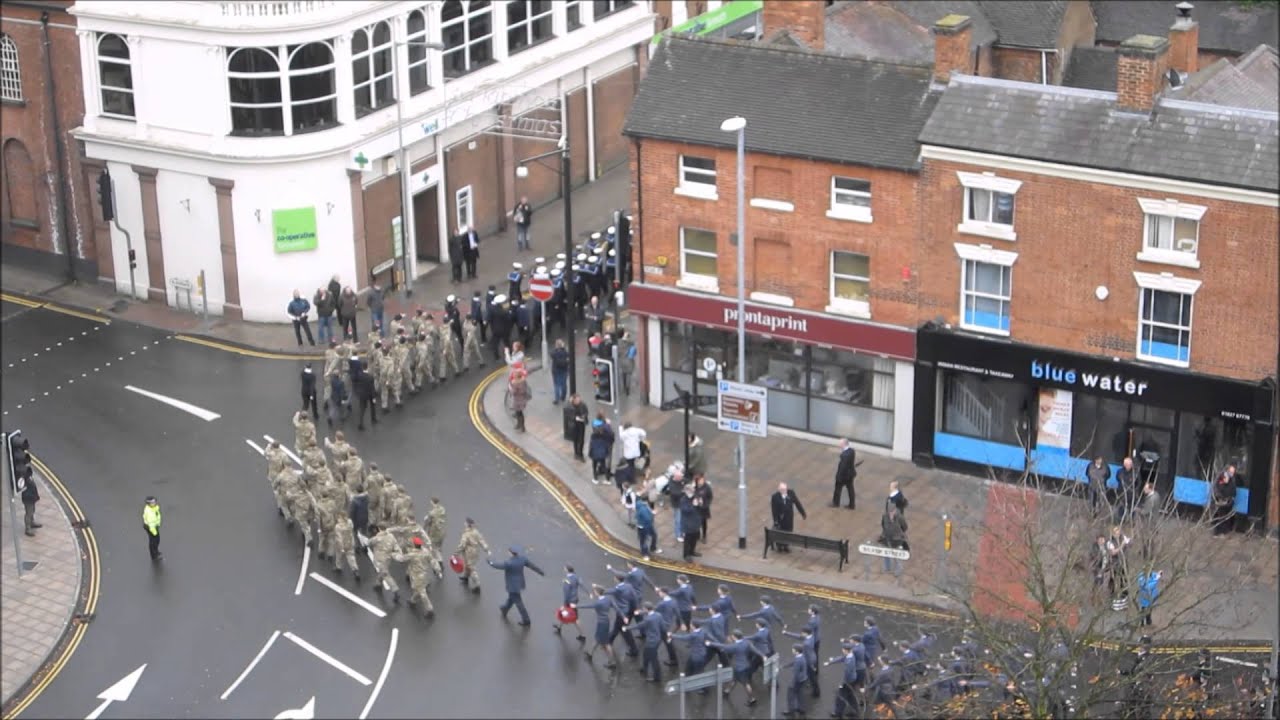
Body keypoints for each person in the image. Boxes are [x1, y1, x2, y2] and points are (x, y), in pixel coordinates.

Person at [707, 630, 763, 706]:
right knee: (734, 679)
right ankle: (727, 691)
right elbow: (754, 650)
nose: (732, 636)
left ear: (735, 637)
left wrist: (710, 643)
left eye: (733, 636)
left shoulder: (735, 646)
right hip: (745, 665)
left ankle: (752, 699)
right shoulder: (746, 642)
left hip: (739, 668)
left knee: (746, 684)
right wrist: (762, 655)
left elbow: (723, 646)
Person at [626, 601, 667, 683]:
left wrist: (627, 628)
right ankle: (644, 668)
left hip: (651, 640)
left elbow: (639, 625)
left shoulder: (648, 619)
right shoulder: (658, 615)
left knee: (653, 659)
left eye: (643, 608)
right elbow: (663, 627)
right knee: (645, 654)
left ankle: (657, 677)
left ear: (646, 609)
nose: (643, 610)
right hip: (657, 639)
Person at [582, 584, 617, 668]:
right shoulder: (608, 599)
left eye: (595, 591)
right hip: (605, 622)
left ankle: (612, 662)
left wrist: (576, 606)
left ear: (597, 593)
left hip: (602, 623)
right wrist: (623, 616)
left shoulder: (599, 602)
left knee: (605, 644)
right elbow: (616, 607)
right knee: (597, 638)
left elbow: (589, 606)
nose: (594, 592)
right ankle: (590, 653)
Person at [455, 517, 490, 593]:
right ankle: (466, 577)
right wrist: (487, 550)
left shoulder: (466, 534)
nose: (464, 523)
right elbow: (481, 541)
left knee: (471, 568)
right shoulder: (476, 531)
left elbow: (462, 545)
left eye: (465, 522)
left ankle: (477, 585)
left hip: (469, 552)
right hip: (475, 551)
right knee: (468, 565)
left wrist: (456, 553)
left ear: (467, 524)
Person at [770, 482, 807, 552]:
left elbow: (797, 503)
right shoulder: (775, 497)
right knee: (780, 531)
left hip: (789, 517)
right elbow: (774, 510)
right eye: (782, 490)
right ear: (779, 490)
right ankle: (779, 546)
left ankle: (786, 546)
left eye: (785, 489)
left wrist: (803, 513)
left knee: (788, 531)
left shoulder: (791, 493)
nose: (784, 491)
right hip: (780, 518)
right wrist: (775, 520)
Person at [554, 564, 586, 640]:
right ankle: (559, 627)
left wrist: (565, 603)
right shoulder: (576, 576)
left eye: (564, 568)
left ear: (567, 570)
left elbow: (566, 592)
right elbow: (582, 585)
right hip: (574, 599)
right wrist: (589, 593)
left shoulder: (567, 579)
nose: (564, 569)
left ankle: (582, 635)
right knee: (563, 612)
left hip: (569, 601)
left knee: (575, 618)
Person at [784, 643, 811, 717]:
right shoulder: (801, 657)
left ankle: (791, 710)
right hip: (803, 679)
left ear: (797, 651)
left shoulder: (798, 661)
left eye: (793, 649)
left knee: (790, 695)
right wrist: (784, 666)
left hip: (797, 681)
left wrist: (792, 683)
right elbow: (793, 662)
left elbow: (796, 673)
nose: (792, 650)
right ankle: (801, 709)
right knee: (800, 694)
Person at [879, 506, 908, 573]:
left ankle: (898, 569)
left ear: (895, 511)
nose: (890, 513)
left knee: (896, 554)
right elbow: (883, 525)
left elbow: (905, 527)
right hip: (887, 537)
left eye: (892, 511)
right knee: (886, 553)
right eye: (889, 512)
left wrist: (899, 533)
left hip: (897, 539)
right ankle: (887, 567)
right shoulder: (885, 516)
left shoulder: (900, 517)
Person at [588, 413, 615, 483]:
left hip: (594, 451)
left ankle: (595, 479)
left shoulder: (594, 430)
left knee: (594, 464)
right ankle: (607, 479)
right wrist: (608, 424)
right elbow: (611, 434)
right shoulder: (605, 427)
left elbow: (591, 444)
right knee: (604, 463)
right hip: (603, 449)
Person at [1211, 465, 1237, 536]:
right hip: (1220, 501)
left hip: (1228, 502)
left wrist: (1231, 499)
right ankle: (1217, 533)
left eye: (1233, 472)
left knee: (1226, 518)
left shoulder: (1232, 480)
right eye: (1231, 472)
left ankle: (1223, 532)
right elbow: (1215, 488)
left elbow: (1234, 491)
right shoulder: (1221, 477)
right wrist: (1219, 497)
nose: (1232, 473)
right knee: (1220, 517)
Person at [679, 486, 703, 561]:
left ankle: (692, 551)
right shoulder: (683, 500)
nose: (693, 493)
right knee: (687, 541)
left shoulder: (695, 496)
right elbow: (686, 511)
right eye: (691, 492)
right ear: (687, 492)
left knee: (694, 539)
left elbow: (699, 507)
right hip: (688, 525)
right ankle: (686, 555)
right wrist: (693, 505)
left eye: (693, 491)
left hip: (696, 523)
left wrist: (700, 503)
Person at [832, 438, 857, 509]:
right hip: (851, 474)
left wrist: (838, 476)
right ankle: (852, 505)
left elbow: (842, 467)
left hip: (844, 476)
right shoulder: (852, 451)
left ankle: (836, 503)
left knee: (838, 488)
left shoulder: (844, 455)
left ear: (843, 444)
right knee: (850, 489)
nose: (839, 445)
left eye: (840, 444)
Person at [354, 360, 378, 431]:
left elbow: (356, 383)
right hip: (369, 394)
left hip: (362, 394)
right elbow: (372, 388)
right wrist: (373, 397)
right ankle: (373, 419)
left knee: (362, 409)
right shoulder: (370, 377)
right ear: (367, 367)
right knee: (372, 406)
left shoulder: (359, 375)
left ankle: (360, 423)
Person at [1115, 456, 1138, 524]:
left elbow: (1138, 482)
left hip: (1131, 494)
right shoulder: (1120, 471)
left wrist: (1134, 490)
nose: (1129, 466)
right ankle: (1120, 521)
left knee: (1132, 509)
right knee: (1121, 508)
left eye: (1130, 465)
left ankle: (1131, 521)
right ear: (1124, 465)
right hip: (1122, 493)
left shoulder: (1135, 472)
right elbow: (1117, 479)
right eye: (1127, 465)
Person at [19, 469, 40, 536]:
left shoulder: (30, 477)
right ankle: (27, 529)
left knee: (32, 510)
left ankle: (32, 522)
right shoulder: (24, 479)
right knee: (29, 513)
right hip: (28, 499)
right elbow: (23, 489)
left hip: (32, 498)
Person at [509, 368, 531, 433]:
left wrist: (511, 388)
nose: (513, 375)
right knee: (519, 412)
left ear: (516, 376)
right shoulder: (524, 381)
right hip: (522, 399)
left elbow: (513, 392)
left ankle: (521, 426)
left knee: (519, 413)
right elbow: (525, 389)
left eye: (514, 375)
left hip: (517, 400)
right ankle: (520, 425)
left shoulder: (515, 383)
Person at [636, 495, 658, 560]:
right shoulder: (643, 509)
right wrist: (653, 514)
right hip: (643, 526)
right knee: (643, 541)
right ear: (646, 501)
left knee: (654, 535)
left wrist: (651, 512)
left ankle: (653, 548)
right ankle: (644, 554)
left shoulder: (640, 503)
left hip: (648, 525)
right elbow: (648, 518)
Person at [567, 394, 589, 461]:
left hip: (581, 424)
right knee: (575, 439)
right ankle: (576, 453)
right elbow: (569, 415)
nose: (578, 401)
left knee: (581, 439)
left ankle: (581, 454)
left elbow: (586, 412)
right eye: (576, 400)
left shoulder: (583, 405)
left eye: (579, 399)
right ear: (574, 400)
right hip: (575, 425)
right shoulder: (571, 406)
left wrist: (584, 416)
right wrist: (576, 418)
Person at [143, 496, 163, 561]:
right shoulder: (149, 512)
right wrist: (154, 532)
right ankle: (154, 556)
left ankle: (156, 551)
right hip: (151, 528)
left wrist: (158, 524)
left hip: (154, 526)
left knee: (157, 540)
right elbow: (151, 522)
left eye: (154, 501)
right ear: (148, 504)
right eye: (152, 502)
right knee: (153, 541)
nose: (154, 503)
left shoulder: (154, 508)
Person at [618, 330, 636, 396]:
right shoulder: (631, 343)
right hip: (629, 362)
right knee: (628, 376)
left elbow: (618, 353)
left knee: (623, 375)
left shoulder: (619, 342)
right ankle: (627, 389)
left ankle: (624, 387)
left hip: (622, 361)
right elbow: (634, 351)